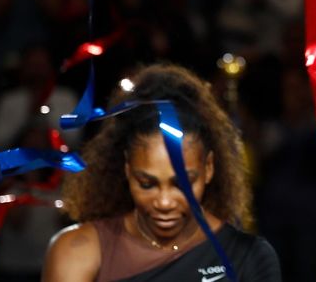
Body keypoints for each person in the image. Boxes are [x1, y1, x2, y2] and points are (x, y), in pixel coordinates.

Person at [41, 63, 281, 281]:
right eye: (147, 184)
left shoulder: (248, 258)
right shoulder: (76, 251)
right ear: (127, 168)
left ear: (208, 168)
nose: (164, 202)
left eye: (183, 184)